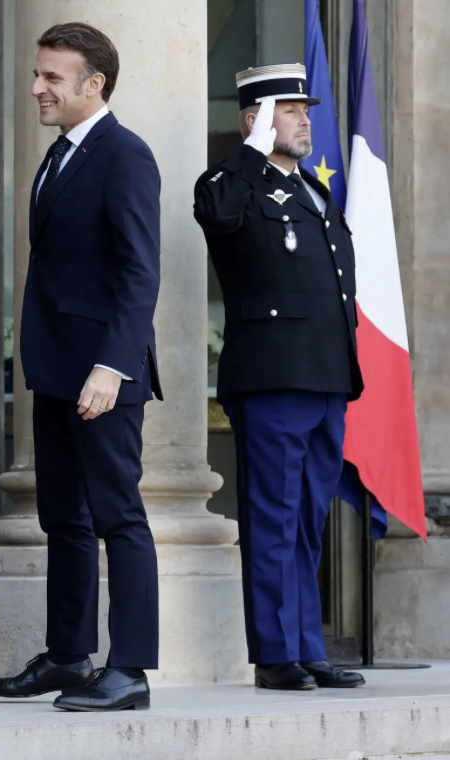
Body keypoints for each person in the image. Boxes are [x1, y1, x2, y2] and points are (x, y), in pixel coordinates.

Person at [0, 22, 162, 713]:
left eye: (52, 78)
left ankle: (133, 671)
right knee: (64, 518)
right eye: (37, 74)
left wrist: (112, 367)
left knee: (121, 517)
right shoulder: (58, 155)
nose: (36, 88)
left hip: (102, 377)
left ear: (95, 85)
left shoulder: (125, 156)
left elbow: (141, 272)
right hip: (56, 371)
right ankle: (67, 656)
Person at [193, 63, 365, 691]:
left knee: (306, 521)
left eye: (303, 110)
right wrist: (248, 150)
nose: (304, 119)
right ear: (256, 119)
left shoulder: (315, 194)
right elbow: (216, 215)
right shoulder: (231, 183)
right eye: (289, 110)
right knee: (272, 518)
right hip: (271, 379)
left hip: (324, 379)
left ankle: (308, 646)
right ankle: (274, 655)